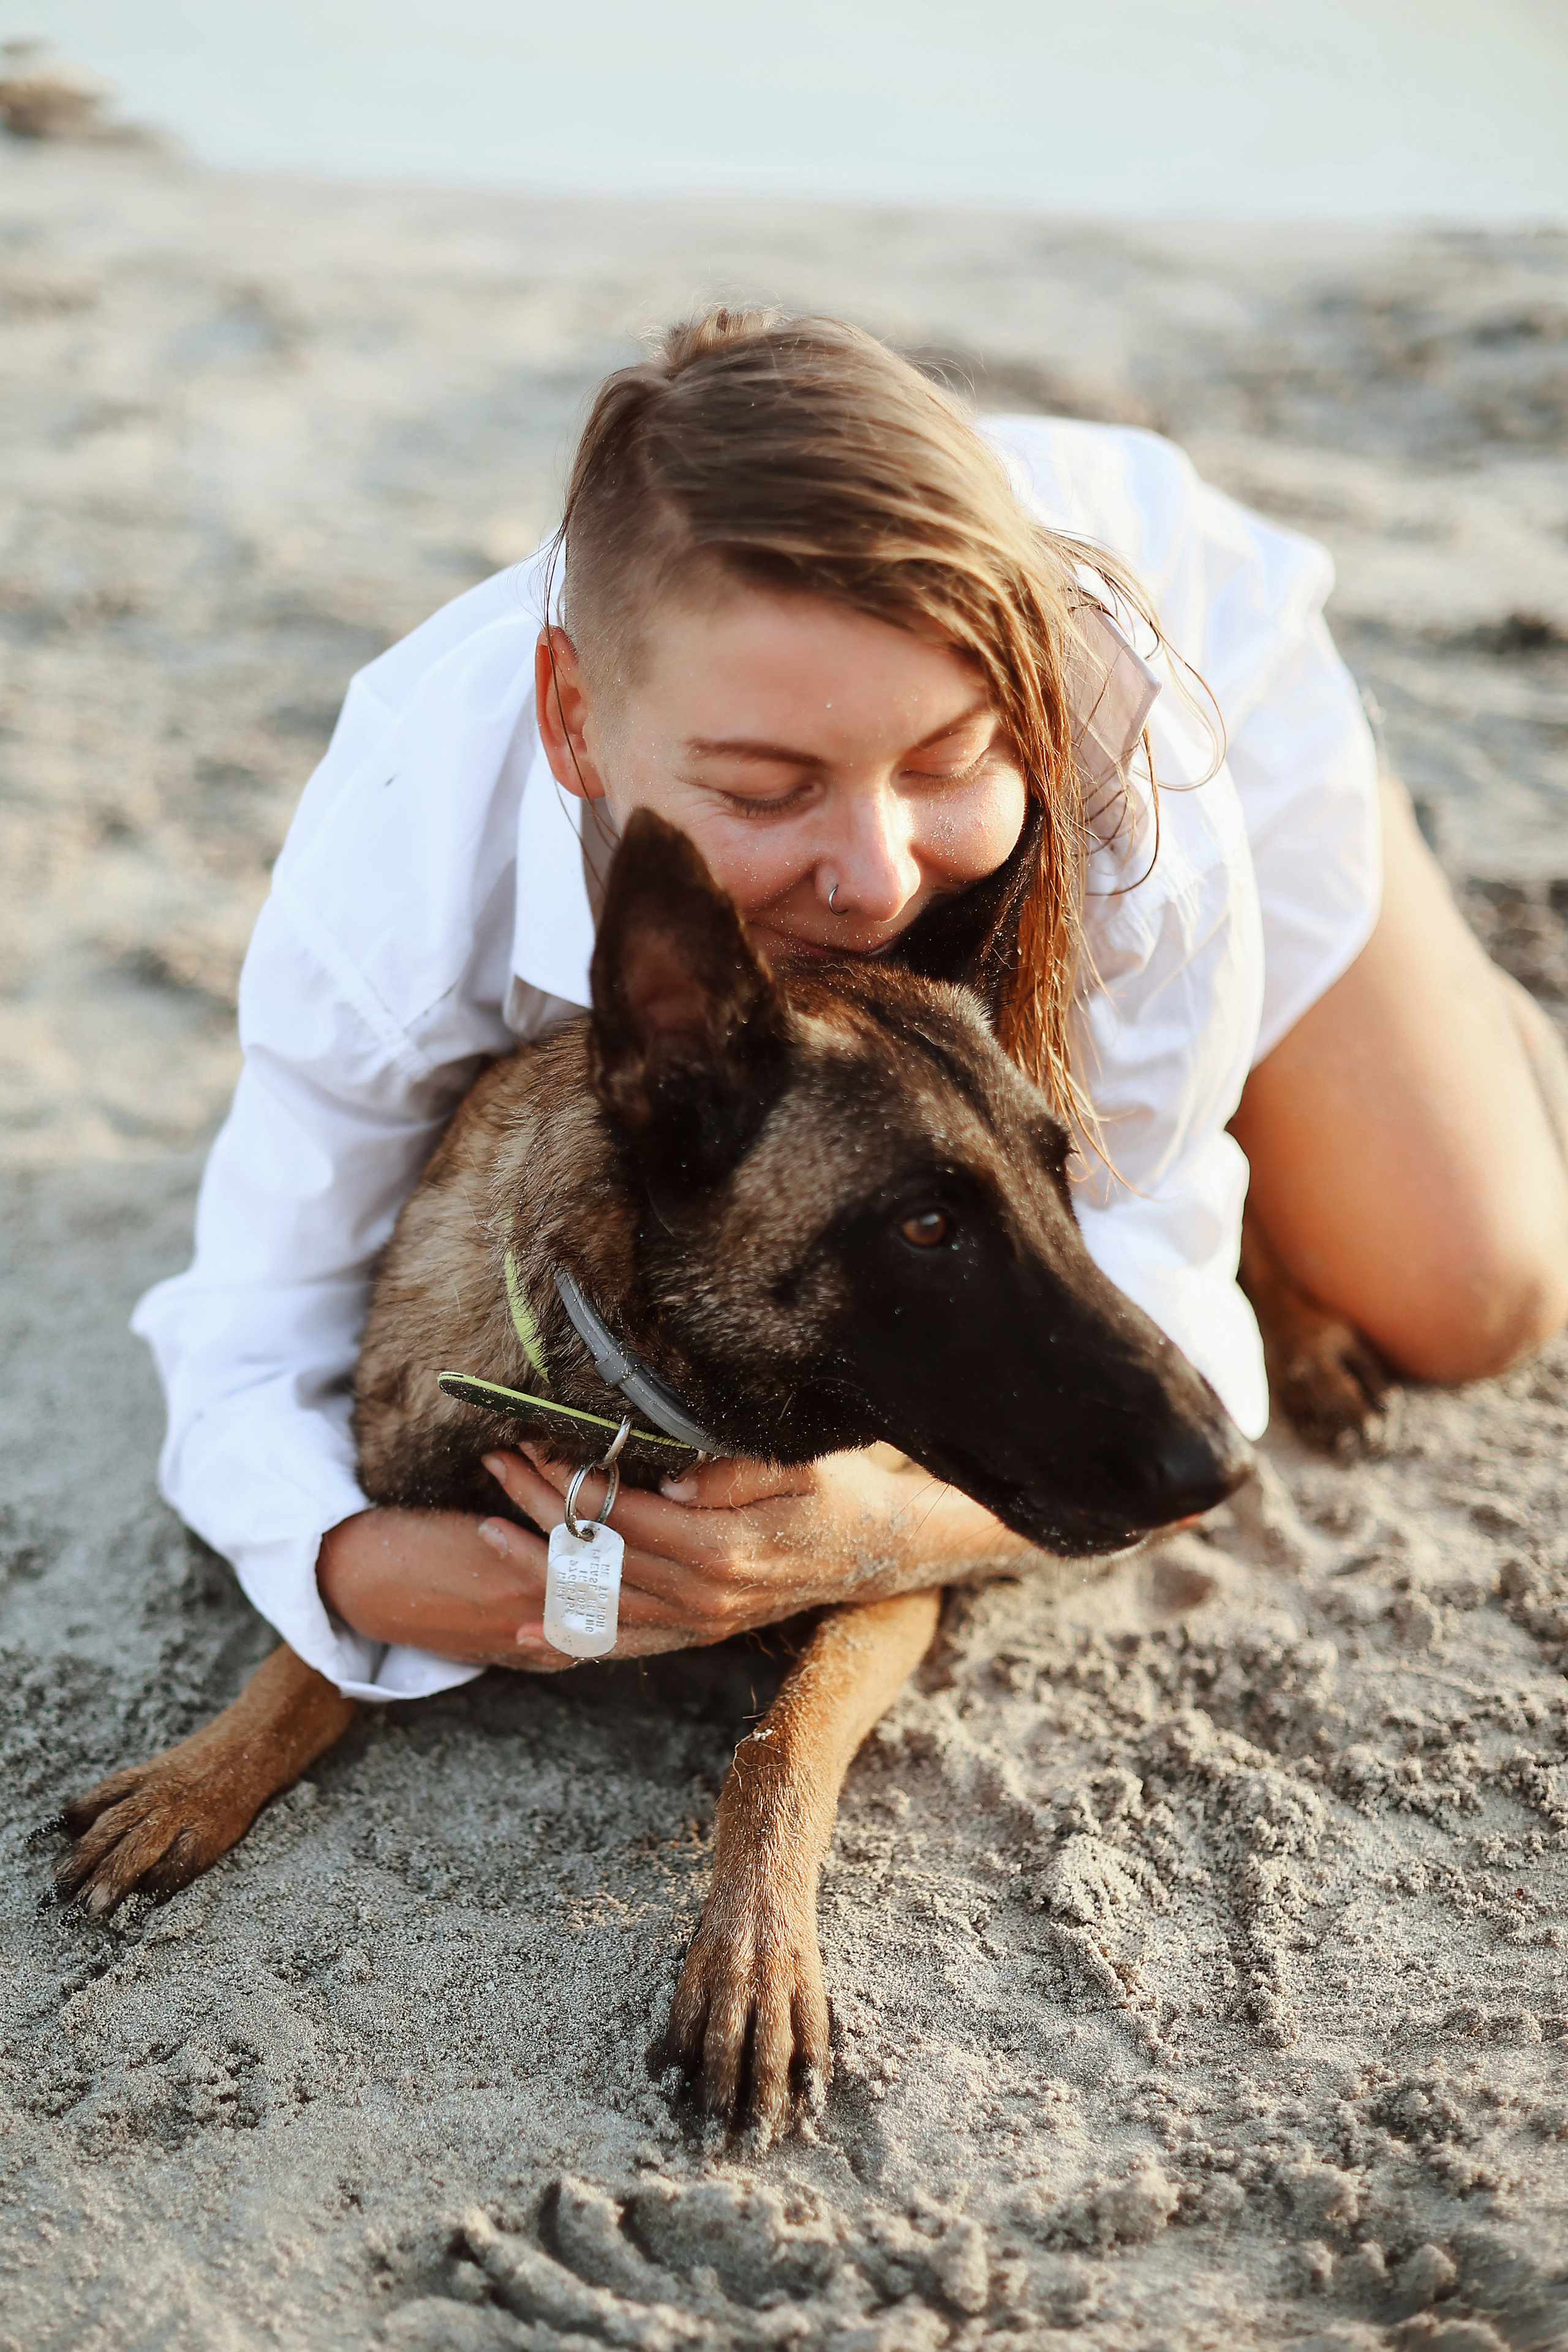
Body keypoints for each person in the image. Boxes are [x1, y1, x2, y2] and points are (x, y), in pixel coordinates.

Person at [132, 310, 1568, 1706]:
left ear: (1017, 711)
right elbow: (249, 1332)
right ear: (573, 718)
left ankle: (1406, 918)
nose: (876, 880)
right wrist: (356, 1565)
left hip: (1227, 688)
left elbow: (1157, 1268)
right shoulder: (401, 858)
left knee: (1470, 1301)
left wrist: (875, 1535)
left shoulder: (1138, 790)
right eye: (763, 790)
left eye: (945, 763)